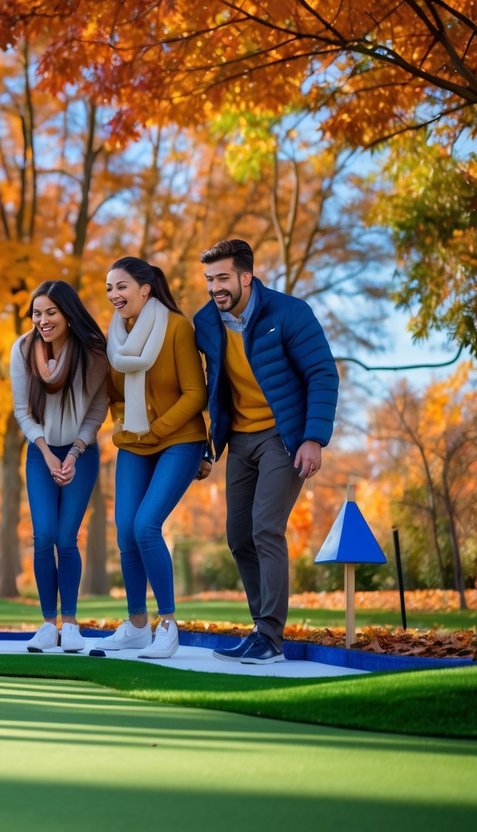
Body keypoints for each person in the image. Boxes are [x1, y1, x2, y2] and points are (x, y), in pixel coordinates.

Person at [195, 239, 339, 664]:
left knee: (265, 527)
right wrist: (207, 449)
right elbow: (209, 390)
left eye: (222, 278)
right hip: (239, 439)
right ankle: (261, 630)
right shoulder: (207, 322)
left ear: (246, 277)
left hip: (284, 435)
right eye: (208, 279)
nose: (215, 287)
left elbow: (322, 373)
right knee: (238, 536)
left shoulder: (289, 313)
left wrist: (313, 438)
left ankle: (272, 638)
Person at [100, 256, 208, 659]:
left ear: (145, 289)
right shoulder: (114, 338)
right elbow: (113, 395)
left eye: (122, 286)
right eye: (109, 288)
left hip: (179, 440)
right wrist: (121, 422)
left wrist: (156, 430)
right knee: (125, 531)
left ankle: (168, 625)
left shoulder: (177, 328)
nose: (114, 295)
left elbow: (196, 395)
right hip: (132, 444)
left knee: (147, 525)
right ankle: (137, 626)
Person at [10, 281, 109, 653]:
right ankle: (46, 624)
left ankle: (70, 624)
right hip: (39, 451)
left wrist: (75, 451)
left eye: (51, 312)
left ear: (68, 313)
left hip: (80, 452)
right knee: (43, 536)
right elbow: (22, 410)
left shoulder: (94, 354)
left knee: (67, 538)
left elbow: (98, 408)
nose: (43, 319)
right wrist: (48, 453)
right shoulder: (21, 350)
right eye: (37, 312)